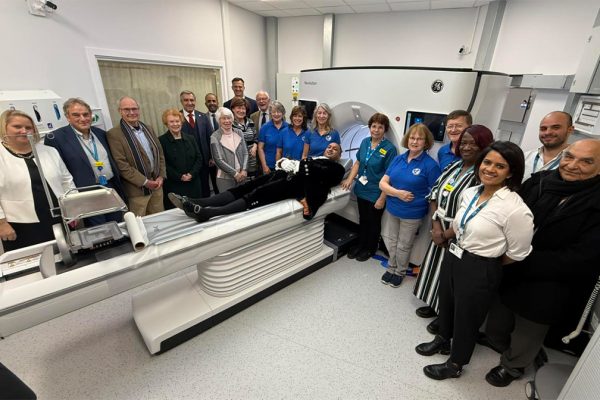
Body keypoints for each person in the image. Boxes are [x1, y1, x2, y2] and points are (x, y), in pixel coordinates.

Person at [482, 139, 600, 387]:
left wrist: (521, 259)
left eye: (586, 161)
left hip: (550, 282)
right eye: (569, 157)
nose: (573, 165)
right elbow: (507, 211)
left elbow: (583, 257)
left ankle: (513, 366)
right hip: (511, 268)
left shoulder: (595, 202)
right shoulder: (541, 181)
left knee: (528, 331)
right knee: (498, 323)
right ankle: (502, 346)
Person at [416, 141, 534, 381]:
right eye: (487, 162)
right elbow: (460, 225)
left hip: (481, 266)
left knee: (467, 317)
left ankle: (456, 363)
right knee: (447, 302)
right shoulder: (470, 193)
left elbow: (518, 253)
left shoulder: (515, 208)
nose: (490, 169)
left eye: (499, 166)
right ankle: (442, 339)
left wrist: (486, 265)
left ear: (510, 172)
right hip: (455, 254)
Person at [413, 125, 494, 330]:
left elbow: (475, 214)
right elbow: (434, 194)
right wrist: (435, 226)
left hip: (459, 234)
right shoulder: (454, 166)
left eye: (473, 143)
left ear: (484, 146)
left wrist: (446, 233)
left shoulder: (481, 176)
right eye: (463, 142)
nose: (466, 147)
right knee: (435, 270)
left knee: (452, 278)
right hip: (439, 227)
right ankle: (433, 303)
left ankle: (445, 316)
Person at [169, 143, 345, 223]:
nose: (331, 149)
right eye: (329, 147)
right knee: (245, 187)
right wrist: (285, 163)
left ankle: (207, 213)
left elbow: (315, 174)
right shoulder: (316, 158)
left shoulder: (337, 169)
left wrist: (297, 165)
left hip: (291, 186)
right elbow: (303, 166)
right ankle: (195, 202)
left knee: (256, 194)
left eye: (335, 149)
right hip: (281, 175)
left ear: (339, 155)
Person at [0, 110, 75, 251]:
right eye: (17, 127)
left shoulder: (49, 151)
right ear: (4, 128)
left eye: (28, 127)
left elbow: (67, 181)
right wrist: (1, 223)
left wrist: (73, 208)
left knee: (66, 257)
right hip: (20, 224)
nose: (24, 131)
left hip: (58, 217)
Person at [45, 98, 125, 226]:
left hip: (109, 188)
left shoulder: (102, 134)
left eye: (86, 114)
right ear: (67, 117)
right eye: (76, 115)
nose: (83, 118)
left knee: (117, 224)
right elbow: (59, 174)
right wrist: (70, 206)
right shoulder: (56, 138)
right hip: (85, 193)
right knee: (98, 231)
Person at [379, 124, 441, 287]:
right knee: (392, 241)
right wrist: (398, 193)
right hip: (393, 208)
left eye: (419, 139)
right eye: (412, 138)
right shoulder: (399, 158)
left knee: (404, 245)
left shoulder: (430, 165)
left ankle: (399, 272)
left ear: (426, 142)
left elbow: (436, 193)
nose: (415, 141)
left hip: (412, 213)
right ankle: (391, 267)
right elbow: (382, 183)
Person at [341, 112, 398, 262]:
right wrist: (349, 179)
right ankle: (361, 244)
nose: (376, 130)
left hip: (376, 192)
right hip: (361, 188)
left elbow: (390, 175)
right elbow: (358, 162)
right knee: (363, 219)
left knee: (373, 221)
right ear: (369, 127)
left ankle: (370, 248)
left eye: (380, 127)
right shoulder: (365, 142)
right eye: (374, 126)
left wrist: (382, 198)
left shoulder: (389, 149)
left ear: (384, 129)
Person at [107, 96, 166, 216]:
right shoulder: (114, 134)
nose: (131, 112)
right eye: (127, 109)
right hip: (137, 192)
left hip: (157, 187)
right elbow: (121, 165)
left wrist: (161, 176)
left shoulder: (148, 128)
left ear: (139, 110)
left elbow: (159, 154)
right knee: (140, 226)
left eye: (134, 109)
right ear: (120, 111)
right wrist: (145, 182)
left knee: (159, 221)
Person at [159, 109, 202, 210]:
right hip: (175, 185)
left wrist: (191, 174)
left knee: (196, 210)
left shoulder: (190, 138)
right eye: (172, 122)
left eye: (177, 121)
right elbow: (163, 164)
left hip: (193, 183)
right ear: (166, 123)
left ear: (181, 122)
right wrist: (180, 176)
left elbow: (199, 158)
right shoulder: (161, 141)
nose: (175, 124)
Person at [522, 111, 574, 181]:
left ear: (570, 129)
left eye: (556, 127)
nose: (548, 132)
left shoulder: (575, 164)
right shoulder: (525, 157)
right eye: (543, 129)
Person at [179, 90, 213, 197]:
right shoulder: (177, 118)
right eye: (186, 100)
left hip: (204, 162)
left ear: (195, 101)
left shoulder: (203, 117)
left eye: (192, 100)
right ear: (181, 102)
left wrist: (212, 157)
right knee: (192, 191)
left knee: (205, 188)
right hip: (187, 164)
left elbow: (211, 139)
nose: (189, 103)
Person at [210, 107, 248, 192]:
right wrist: (235, 174)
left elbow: (245, 152)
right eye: (223, 118)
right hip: (225, 179)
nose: (227, 121)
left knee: (243, 201)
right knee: (229, 203)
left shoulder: (239, 132)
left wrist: (244, 169)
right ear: (219, 121)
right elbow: (218, 160)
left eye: (229, 118)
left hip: (242, 175)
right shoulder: (214, 137)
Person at [258, 101, 288, 174]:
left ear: (283, 113)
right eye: (274, 112)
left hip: (285, 166)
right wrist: (264, 166)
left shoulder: (289, 127)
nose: (276, 114)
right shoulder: (265, 127)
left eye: (279, 112)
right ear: (270, 113)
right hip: (269, 166)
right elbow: (260, 148)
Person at [231, 97, 258, 177]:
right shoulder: (230, 124)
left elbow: (256, 137)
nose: (241, 111)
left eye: (243, 108)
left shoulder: (250, 122)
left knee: (252, 182)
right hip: (238, 161)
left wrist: (255, 147)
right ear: (233, 109)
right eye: (238, 108)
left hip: (252, 160)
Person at [205, 92, 220, 194]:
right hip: (211, 158)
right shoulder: (202, 118)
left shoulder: (224, 115)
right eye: (209, 101)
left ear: (217, 102)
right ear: (206, 103)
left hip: (226, 156)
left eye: (214, 101)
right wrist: (211, 157)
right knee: (215, 182)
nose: (212, 103)